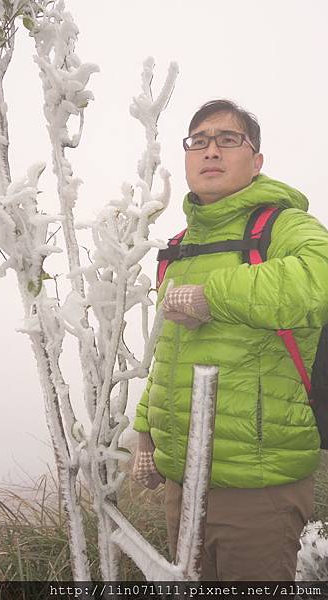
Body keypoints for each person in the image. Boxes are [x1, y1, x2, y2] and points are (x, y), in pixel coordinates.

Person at [132, 99, 328, 581]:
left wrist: (213, 295)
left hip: (259, 486)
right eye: (198, 141)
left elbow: (317, 277)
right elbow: (168, 353)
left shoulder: (281, 226)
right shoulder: (178, 247)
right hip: (184, 480)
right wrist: (145, 434)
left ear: (256, 160)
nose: (210, 151)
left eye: (228, 140)